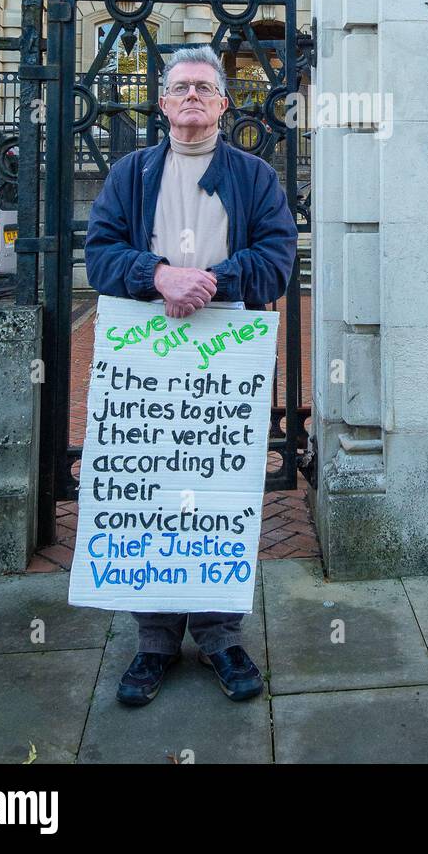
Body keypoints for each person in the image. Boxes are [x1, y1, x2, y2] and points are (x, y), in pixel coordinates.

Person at [85, 44, 298, 706]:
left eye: (205, 88)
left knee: (216, 495)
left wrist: (208, 281)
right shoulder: (131, 172)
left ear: (224, 104)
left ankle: (220, 636)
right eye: (180, 88)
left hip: (223, 357)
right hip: (146, 357)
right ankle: (153, 644)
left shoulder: (254, 175)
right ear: (162, 102)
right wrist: (157, 275)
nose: (192, 99)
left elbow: (277, 258)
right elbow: (99, 254)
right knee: (150, 494)